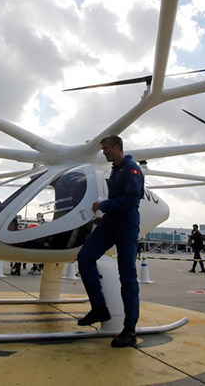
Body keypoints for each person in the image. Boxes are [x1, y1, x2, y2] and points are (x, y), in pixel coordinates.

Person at [76, 135, 144, 348]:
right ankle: (99, 308)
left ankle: (129, 330)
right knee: (85, 257)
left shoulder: (132, 169)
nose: (103, 151)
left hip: (126, 225)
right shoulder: (115, 169)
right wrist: (103, 215)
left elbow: (132, 200)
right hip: (110, 223)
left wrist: (103, 205)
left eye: (106, 148)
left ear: (117, 147)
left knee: (127, 277)